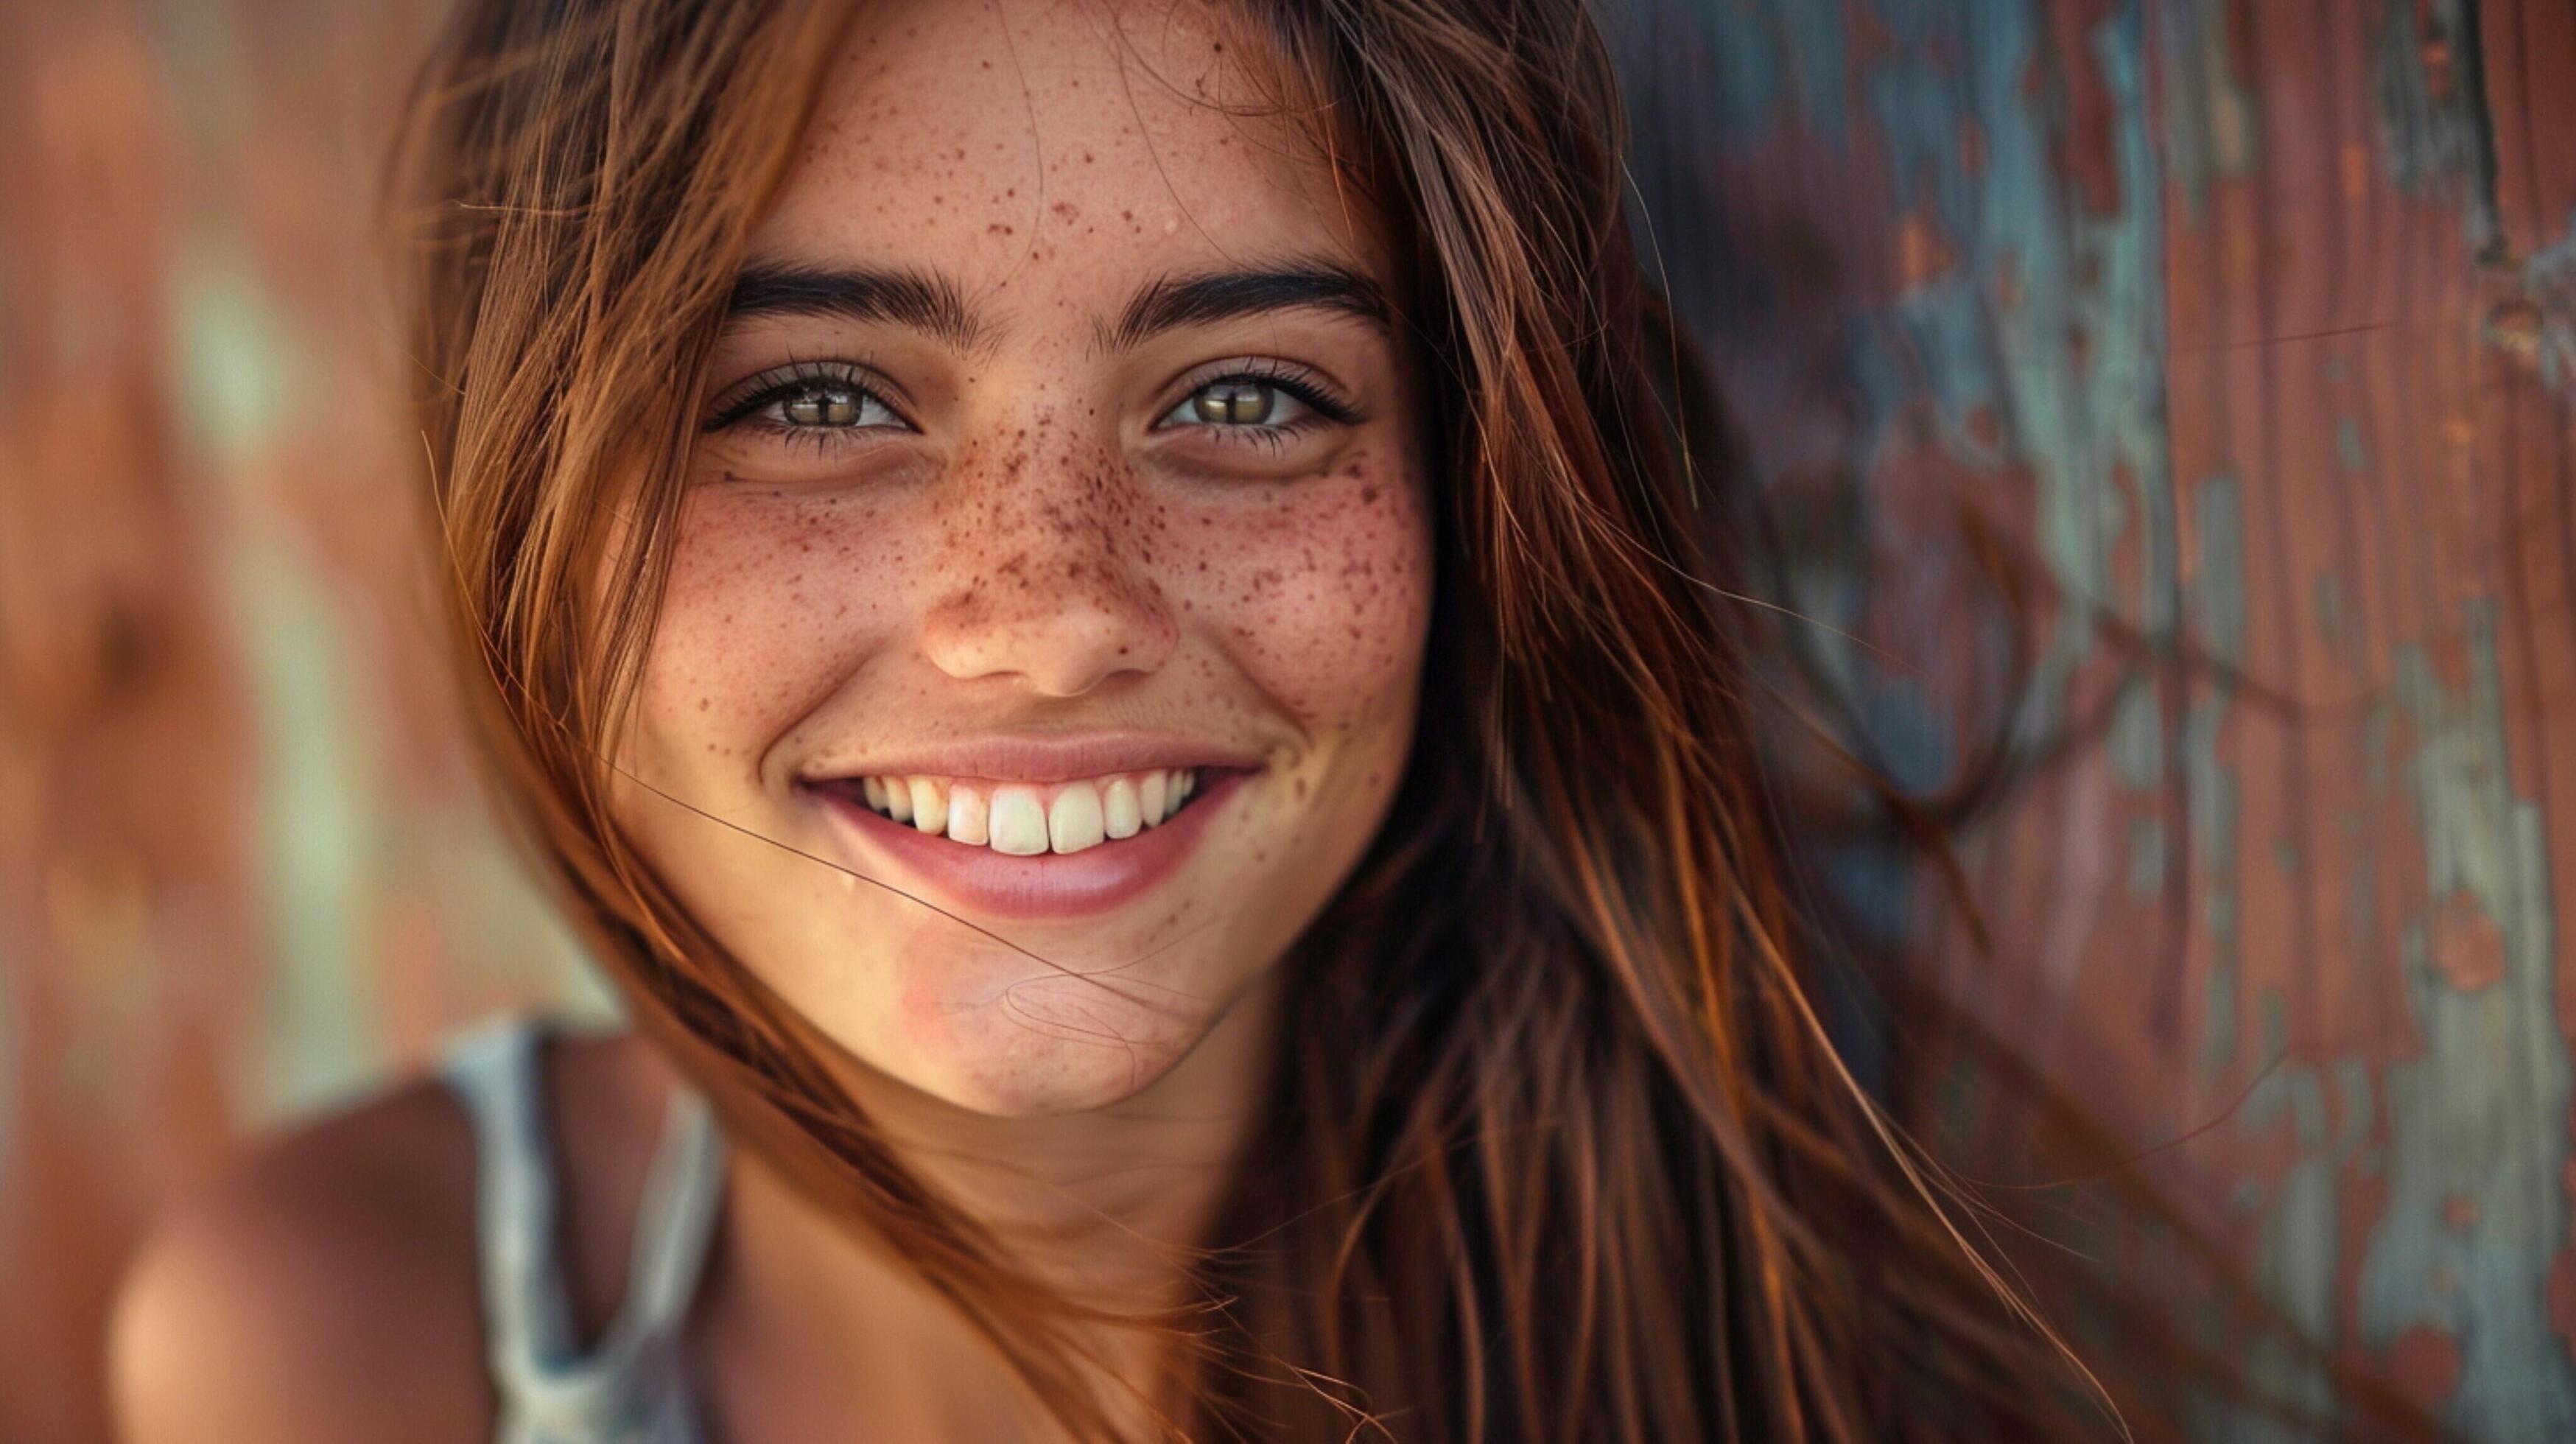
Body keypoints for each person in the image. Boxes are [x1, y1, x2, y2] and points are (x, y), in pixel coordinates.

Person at [105, 1, 2135, 1438]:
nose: (1052, 618)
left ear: (1469, 506)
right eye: (817, 397)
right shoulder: (358, 1337)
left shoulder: (1761, 1341)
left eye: (1249, 395)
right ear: (530, 491)